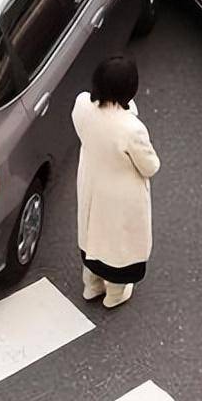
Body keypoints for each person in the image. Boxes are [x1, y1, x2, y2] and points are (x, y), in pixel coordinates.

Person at [72, 55, 160, 308]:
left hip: (91, 181)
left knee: (92, 235)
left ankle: (91, 285)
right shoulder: (131, 128)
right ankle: (114, 294)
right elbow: (150, 166)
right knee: (118, 246)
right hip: (121, 196)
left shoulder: (81, 105)